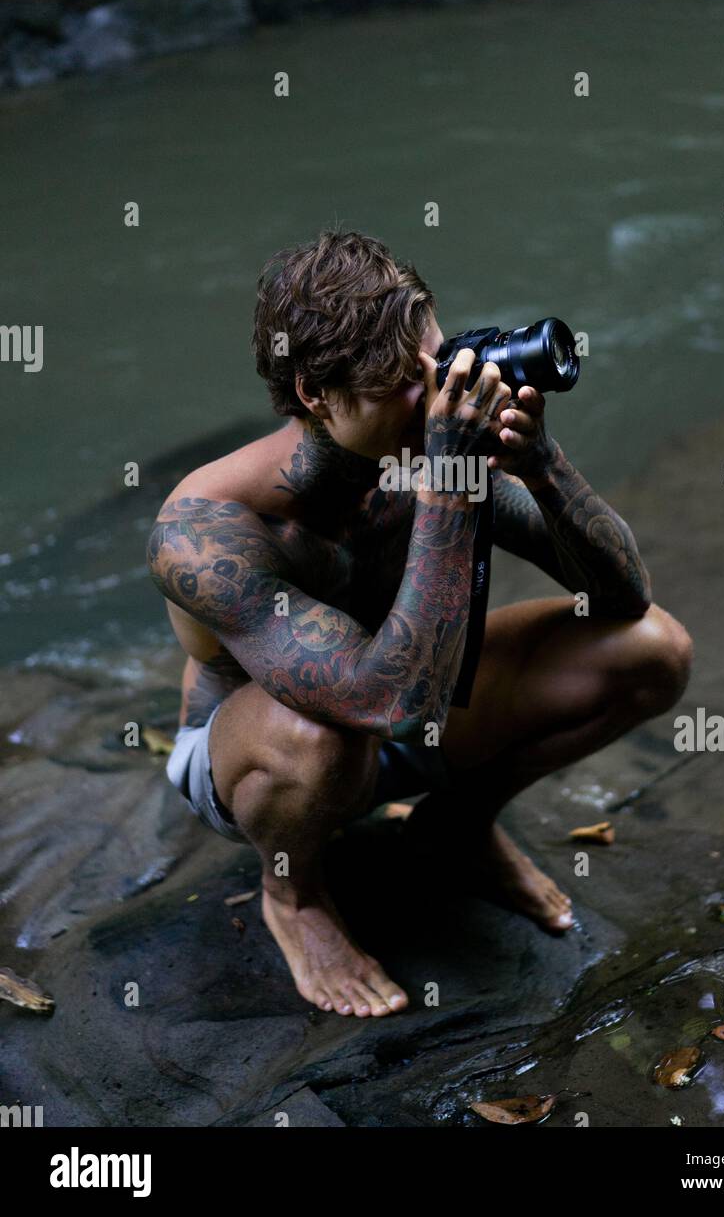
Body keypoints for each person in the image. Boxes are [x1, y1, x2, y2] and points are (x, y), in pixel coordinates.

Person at [147, 229, 692, 1019]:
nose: (439, 393)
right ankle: (293, 897)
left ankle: (454, 830)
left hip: (421, 717)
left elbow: (623, 598)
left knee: (653, 652)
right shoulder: (208, 527)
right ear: (314, 393)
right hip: (275, 756)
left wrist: (542, 464)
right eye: (404, 382)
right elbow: (382, 705)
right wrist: (446, 485)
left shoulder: (421, 452)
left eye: (436, 360)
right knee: (321, 737)